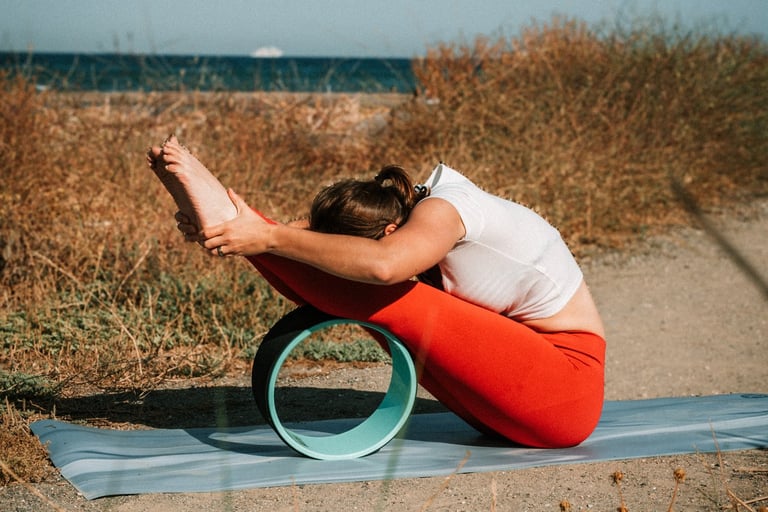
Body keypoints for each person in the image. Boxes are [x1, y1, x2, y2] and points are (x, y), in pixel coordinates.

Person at [147, 135, 606, 449]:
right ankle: (229, 219)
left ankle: (230, 217)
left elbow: (384, 266)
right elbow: (310, 240)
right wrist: (241, 239)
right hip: (501, 405)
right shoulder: (395, 215)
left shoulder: (447, 211)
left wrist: (264, 239)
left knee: (385, 291)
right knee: (337, 275)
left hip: (565, 388)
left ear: (391, 229)